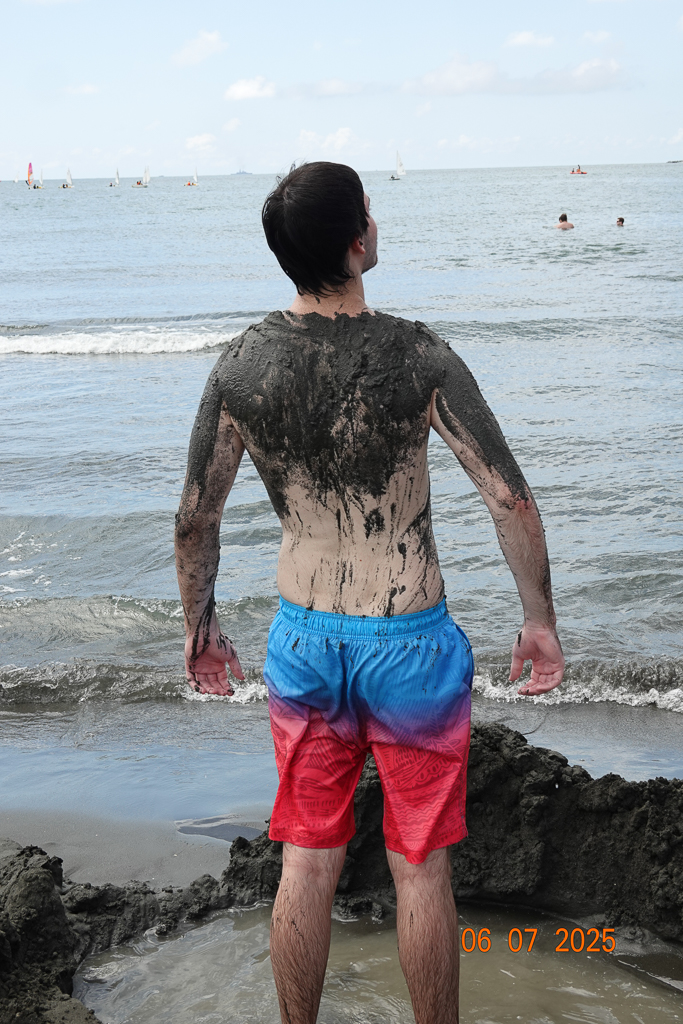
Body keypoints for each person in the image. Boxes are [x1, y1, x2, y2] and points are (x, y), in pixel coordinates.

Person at [175, 161, 565, 1024]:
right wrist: (537, 620)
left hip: (305, 644)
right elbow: (509, 498)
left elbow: (196, 519)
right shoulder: (416, 355)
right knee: (418, 866)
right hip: (409, 643)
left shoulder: (241, 367)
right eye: (369, 213)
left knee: (306, 860)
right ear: (357, 242)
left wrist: (200, 629)